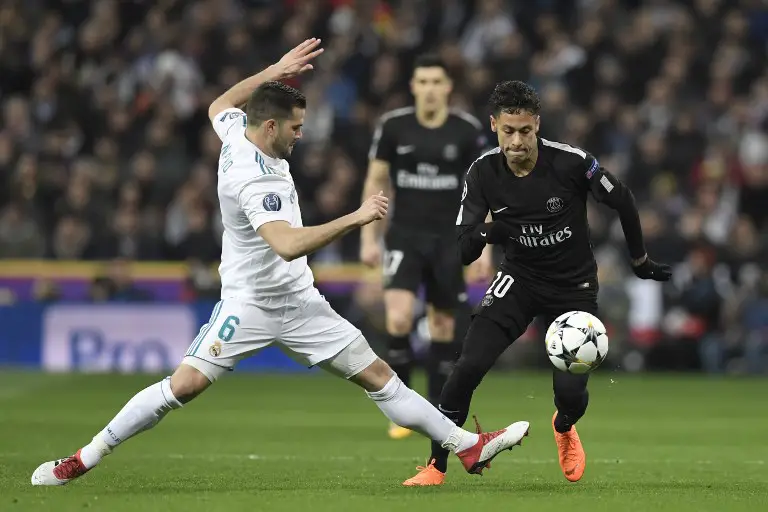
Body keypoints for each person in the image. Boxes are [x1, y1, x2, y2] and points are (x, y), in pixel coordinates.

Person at [31, 40, 530, 487]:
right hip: (250, 303)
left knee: (380, 376)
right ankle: (81, 459)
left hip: (300, 301)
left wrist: (275, 69)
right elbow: (287, 244)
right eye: (295, 128)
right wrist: (356, 218)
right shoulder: (256, 179)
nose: (300, 135)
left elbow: (219, 104)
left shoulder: (236, 131)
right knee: (182, 386)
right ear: (270, 126)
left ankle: (466, 447)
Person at [402, 80, 671, 486]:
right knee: (466, 368)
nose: (516, 141)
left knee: (570, 392)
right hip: (519, 279)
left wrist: (639, 260)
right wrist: (493, 230)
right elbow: (462, 249)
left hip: (574, 287)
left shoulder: (571, 162)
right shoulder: (482, 173)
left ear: (537, 125)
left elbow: (624, 199)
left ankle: (563, 426)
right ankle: (436, 465)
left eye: (525, 131)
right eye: (508, 131)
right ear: (494, 126)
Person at [360, 55, 493, 439]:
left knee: (442, 326)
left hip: (449, 241)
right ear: (413, 86)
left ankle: (436, 412)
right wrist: (369, 237)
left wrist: (483, 247)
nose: (430, 88)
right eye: (423, 81)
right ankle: (401, 407)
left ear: (448, 87)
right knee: (398, 319)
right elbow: (375, 181)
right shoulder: (393, 126)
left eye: (437, 81)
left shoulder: (466, 130)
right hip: (404, 236)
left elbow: (483, 192)